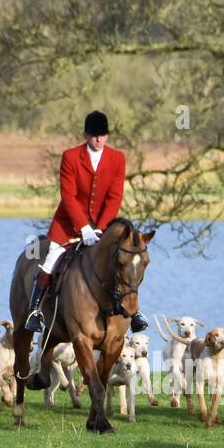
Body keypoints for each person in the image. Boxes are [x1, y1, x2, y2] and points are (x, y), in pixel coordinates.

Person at [24, 110, 147, 334]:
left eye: (103, 135)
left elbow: (114, 197)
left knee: (125, 260)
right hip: (68, 224)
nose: (99, 140)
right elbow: (68, 196)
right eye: (94, 136)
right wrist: (83, 227)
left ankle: (134, 311)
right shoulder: (71, 156)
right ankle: (36, 311)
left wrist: (101, 228)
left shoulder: (117, 158)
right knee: (51, 258)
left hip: (104, 225)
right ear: (86, 135)